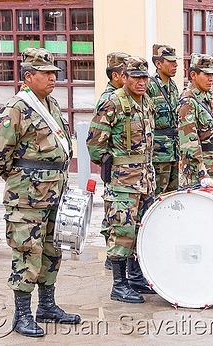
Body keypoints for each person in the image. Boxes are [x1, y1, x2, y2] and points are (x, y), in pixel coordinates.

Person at [0, 48, 80, 337]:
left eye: (55, 72)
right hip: (27, 197)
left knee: (52, 250)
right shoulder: (16, 108)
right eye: (47, 73)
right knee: (28, 252)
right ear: (29, 77)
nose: (54, 77)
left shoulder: (50, 104)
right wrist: (22, 179)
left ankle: (47, 306)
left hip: (55, 191)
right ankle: (22, 315)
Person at [87, 56, 156, 304]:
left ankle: (136, 278)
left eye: (144, 77)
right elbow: (95, 144)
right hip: (123, 181)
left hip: (146, 179)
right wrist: (113, 164)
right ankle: (119, 285)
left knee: (141, 228)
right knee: (122, 229)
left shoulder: (145, 101)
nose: (141, 82)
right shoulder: (112, 102)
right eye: (135, 77)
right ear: (123, 77)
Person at [96, 52, 130, 270]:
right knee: (114, 211)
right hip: (116, 165)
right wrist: (107, 160)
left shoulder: (123, 96)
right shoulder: (110, 98)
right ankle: (112, 256)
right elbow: (97, 138)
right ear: (117, 76)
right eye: (126, 74)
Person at [177, 53, 213, 187]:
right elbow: (189, 142)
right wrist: (201, 171)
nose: (211, 79)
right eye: (206, 75)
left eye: (212, 75)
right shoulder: (188, 102)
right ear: (193, 75)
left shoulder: (207, 98)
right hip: (198, 172)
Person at [147, 44, 181, 196]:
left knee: (172, 195)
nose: (176, 65)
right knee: (157, 195)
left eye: (176, 62)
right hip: (159, 153)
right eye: (171, 62)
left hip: (173, 150)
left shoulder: (173, 86)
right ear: (158, 64)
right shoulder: (150, 86)